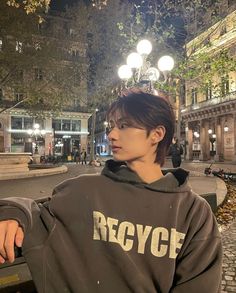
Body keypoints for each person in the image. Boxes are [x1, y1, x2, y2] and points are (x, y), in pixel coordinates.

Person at [0, 89, 222, 293]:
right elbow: (36, 213)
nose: (111, 135)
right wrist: (13, 215)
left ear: (157, 134)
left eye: (124, 125)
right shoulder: (82, 190)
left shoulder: (193, 213)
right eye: (111, 126)